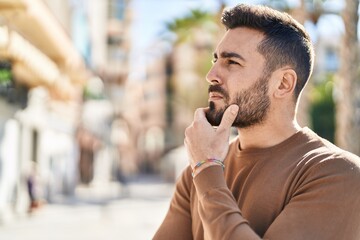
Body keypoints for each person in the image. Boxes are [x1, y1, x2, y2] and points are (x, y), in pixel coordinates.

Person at [153, 3, 360, 240]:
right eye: (216, 60)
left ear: (283, 84)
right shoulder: (197, 173)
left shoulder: (339, 174)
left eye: (232, 62)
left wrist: (208, 168)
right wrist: (205, 168)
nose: (211, 75)